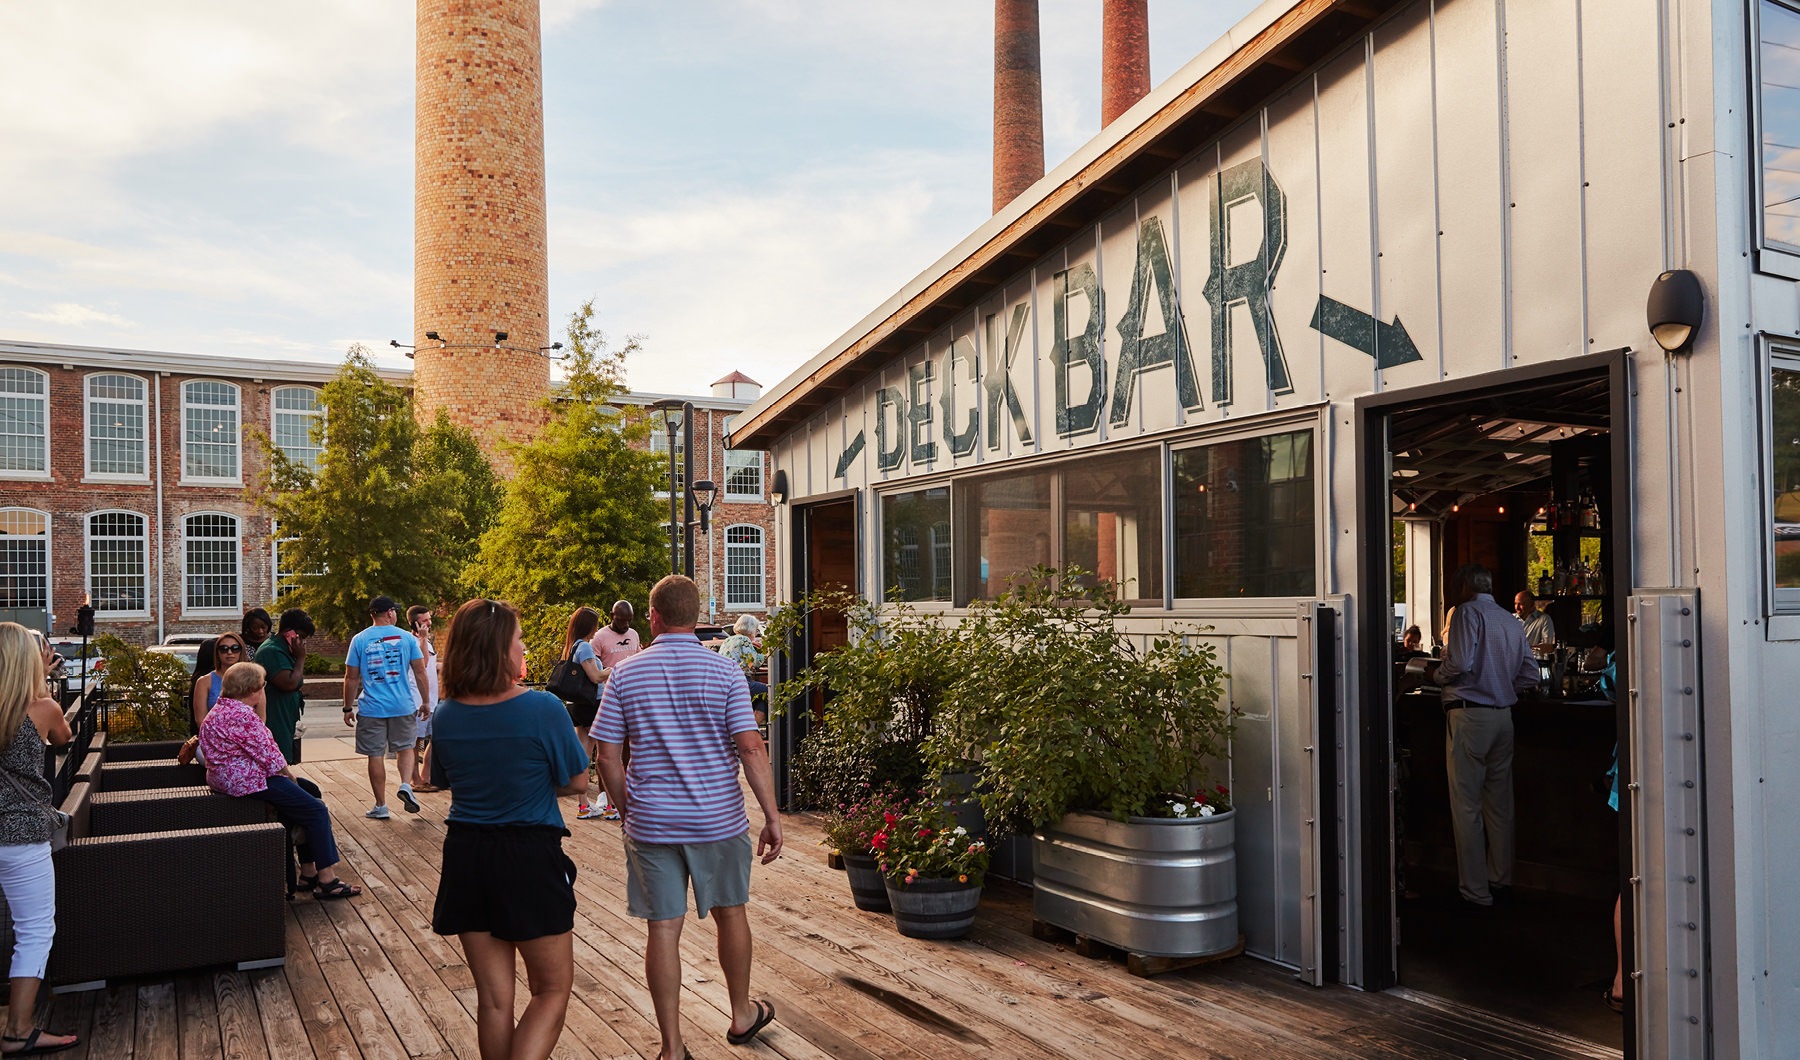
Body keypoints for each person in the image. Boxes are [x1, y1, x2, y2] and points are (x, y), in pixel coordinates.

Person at [593, 575, 783, 1060]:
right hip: (718, 820)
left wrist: (626, 807)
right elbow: (750, 747)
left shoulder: (626, 675)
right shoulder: (726, 674)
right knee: (731, 913)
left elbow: (607, 757)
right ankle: (742, 1015)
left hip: (652, 824)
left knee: (663, 929)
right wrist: (771, 815)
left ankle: (672, 1048)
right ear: (696, 618)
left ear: (652, 618)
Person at [430, 598, 589, 1060]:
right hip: (528, 856)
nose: (524, 647)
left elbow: (437, 780)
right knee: (552, 991)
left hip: (466, 855)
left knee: (495, 1000)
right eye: (518, 639)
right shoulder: (543, 708)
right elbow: (577, 780)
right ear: (501, 649)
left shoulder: (447, 713)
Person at [200, 661, 361, 900]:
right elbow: (269, 754)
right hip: (246, 780)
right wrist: (289, 775)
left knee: (311, 790)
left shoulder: (219, 710)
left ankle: (308, 871)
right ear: (254, 690)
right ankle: (327, 880)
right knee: (315, 809)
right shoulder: (243, 715)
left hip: (225, 778)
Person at [1432, 563, 1539, 911]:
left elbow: (1460, 663)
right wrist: (1503, 686)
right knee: (1499, 804)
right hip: (1503, 717)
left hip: (1469, 714)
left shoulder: (1465, 613)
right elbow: (1530, 673)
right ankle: (1501, 878)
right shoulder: (1510, 619)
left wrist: (1435, 675)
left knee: (1466, 806)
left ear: (1463, 586)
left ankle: (1475, 891)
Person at [0, 624, 77, 1056]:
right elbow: (63, 738)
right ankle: (17, 1030)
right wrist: (46, 682)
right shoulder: (41, 707)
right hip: (20, 834)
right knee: (33, 930)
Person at [345, 595, 430, 819]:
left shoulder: (359, 639)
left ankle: (381, 805)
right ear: (390, 612)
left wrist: (347, 707)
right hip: (402, 705)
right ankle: (405, 784)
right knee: (405, 748)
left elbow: (350, 678)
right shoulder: (407, 638)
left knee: (375, 755)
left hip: (372, 707)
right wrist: (426, 701)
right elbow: (420, 671)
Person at [555, 607, 614, 821]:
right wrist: (615, 669)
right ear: (588, 626)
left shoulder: (572, 646)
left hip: (576, 706)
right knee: (605, 756)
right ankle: (611, 805)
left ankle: (583, 805)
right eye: (595, 624)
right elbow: (596, 676)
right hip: (591, 706)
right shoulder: (586, 647)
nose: (597, 628)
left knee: (583, 755)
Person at [178, 632, 252, 767]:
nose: (229, 652)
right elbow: (201, 721)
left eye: (235, 648)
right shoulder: (204, 682)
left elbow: (260, 719)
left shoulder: (253, 681)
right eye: (224, 649)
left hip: (247, 743)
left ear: (241, 651)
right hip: (212, 742)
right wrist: (224, 740)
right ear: (217, 653)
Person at [253, 608, 314, 765]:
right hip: (275, 717)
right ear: (289, 632)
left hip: (286, 717)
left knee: (286, 761)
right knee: (278, 763)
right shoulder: (271, 650)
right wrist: (301, 658)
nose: (303, 642)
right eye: (302, 637)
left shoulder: (285, 649)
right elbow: (289, 683)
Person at [407, 606, 443, 794]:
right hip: (417, 700)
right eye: (425, 620)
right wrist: (422, 638)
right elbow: (422, 664)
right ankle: (415, 780)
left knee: (436, 738)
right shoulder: (412, 641)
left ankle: (426, 776)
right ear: (414, 622)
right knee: (416, 741)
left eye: (429, 619)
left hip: (433, 699)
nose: (429, 622)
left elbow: (431, 665)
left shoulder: (426, 642)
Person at [716, 614, 769, 723]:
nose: (756, 632)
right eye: (756, 629)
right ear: (750, 628)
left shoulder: (728, 640)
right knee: (769, 691)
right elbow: (755, 662)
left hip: (724, 683)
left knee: (761, 698)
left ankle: (751, 726)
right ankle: (753, 727)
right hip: (740, 682)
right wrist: (765, 653)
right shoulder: (744, 640)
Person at [589, 600, 642, 673]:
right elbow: (592, 669)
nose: (626, 625)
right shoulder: (599, 637)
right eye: (622, 620)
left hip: (630, 683)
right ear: (612, 616)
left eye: (629, 620)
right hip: (608, 683)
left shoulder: (633, 634)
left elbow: (638, 660)